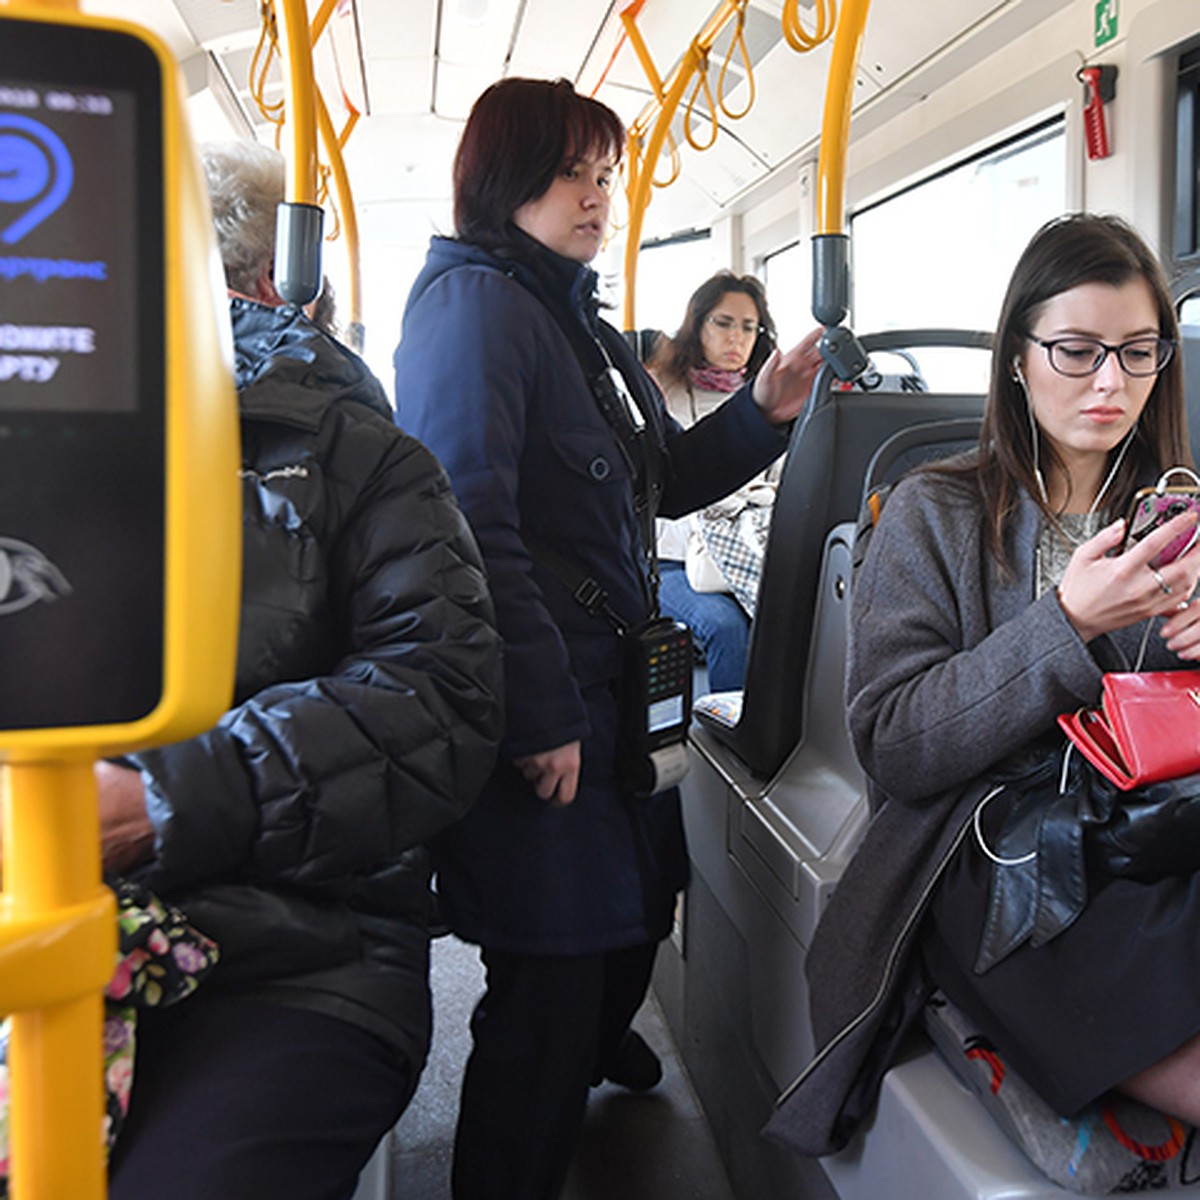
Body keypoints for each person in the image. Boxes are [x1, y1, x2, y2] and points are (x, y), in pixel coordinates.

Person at [392, 77, 823, 1200]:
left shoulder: (576, 320)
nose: (596, 197)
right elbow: (467, 527)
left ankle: (590, 1045)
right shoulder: (473, 310)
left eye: (606, 176)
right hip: (542, 687)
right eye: (573, 171)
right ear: (504, 178)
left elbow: (662, 479)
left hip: (618, 684)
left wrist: (765, 410)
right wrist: (533, 715)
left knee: (639, 908)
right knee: (550, 969)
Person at [96, 139, 504, 1200]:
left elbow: (442, 698)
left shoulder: (357, 457)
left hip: (290, 955)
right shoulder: (54, 444)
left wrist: (160, 802)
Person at [766, 212, 1200, 1156]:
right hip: (987, 842)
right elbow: (896, 743)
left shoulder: (1181, 513)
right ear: (1017, 357)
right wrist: (1067, 626)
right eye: (1077, 350)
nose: (1110, 382)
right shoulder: (934, 511)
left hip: (1157, 821)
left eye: (1138, 352)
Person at [650, 271, 779, 690]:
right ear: (697, 325)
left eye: (748, 327)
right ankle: (732, 742)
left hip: (746, 552)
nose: (736, 339)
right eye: (723, 323)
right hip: (672, 564)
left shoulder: (769, 400)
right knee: (726, 628)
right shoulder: (662, 393)